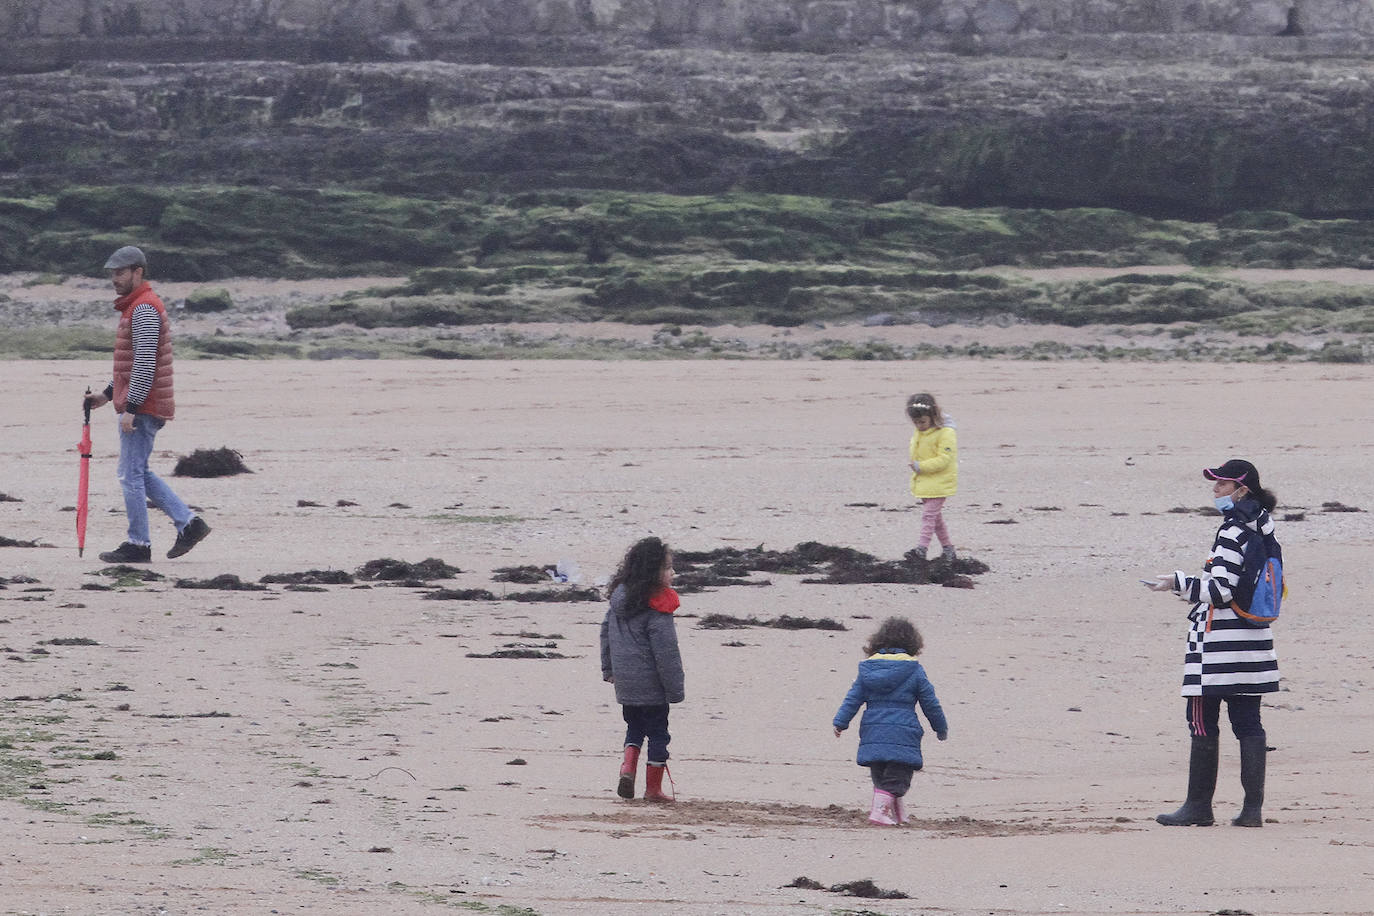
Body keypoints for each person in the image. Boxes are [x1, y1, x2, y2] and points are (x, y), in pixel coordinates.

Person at [1146, 458, 1280, 828]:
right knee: (1249, 724)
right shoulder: (1265, 528)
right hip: (1254, 645)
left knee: (1202, 722)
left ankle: (1198, 807)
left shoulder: (1233, 530)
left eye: (1222, 484)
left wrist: (1177, 583)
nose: (1215, 489)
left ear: (1242, 490)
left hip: (1219, 646)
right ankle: (1252, 811)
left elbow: (1220, 591)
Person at [84, 246, 211, 563]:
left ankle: (138, 545)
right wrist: (106, 395)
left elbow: (143, 364)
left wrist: (132, 407)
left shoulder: (143, 309)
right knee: (137, 471)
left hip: (144, 405)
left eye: (120, 272)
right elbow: (131, 366)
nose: (114, 278)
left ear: (137, 272)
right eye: (112, 273)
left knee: (130, 475)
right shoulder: (136, 307)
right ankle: (190, 524)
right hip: (142, 401)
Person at [833, 616, 948, 826]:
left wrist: (840, 722)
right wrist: (940, 727)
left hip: (872, 731)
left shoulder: (868, 670)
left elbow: (853, 698)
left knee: (881, 775)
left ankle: (896, 814)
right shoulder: (914, 670)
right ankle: (879, 812)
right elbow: (930, 703)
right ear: (913, 643)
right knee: (899, 777)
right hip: (903, 733)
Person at [599, 536, 684, 802]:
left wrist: (608, 669)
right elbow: (667, 653)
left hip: (625, 683)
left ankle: (627, 768)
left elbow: (605, 635)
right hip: (652, 686)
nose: (673, 573)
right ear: (653, 572)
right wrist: (675, 689)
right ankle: (653, 789)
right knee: (659, 734)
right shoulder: (659, 608)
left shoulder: (619, 602)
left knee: (634, 729)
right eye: (668, 568)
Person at [906, 393, 959, 561]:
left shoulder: (946, 433)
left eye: (922, 422)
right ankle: (948, 549)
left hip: (940, 482)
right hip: (925, 482)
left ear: (933, 416)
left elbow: (944, 459)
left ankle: (921, 549)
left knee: (928, 516)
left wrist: (921, 467)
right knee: (936, 520)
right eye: (916, 422)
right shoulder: (920, 432)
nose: (919, 426)